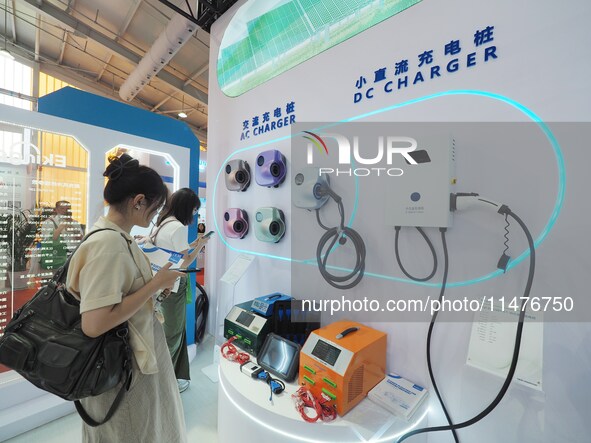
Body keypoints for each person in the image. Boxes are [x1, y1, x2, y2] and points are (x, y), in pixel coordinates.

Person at [66, 154, 187, 443]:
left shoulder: (116, 237)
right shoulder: (109, 244)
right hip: (121, 373)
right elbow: (94, 323)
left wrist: (156, 288)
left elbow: (120, 296)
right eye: (155, 208)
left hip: (128, 365)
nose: (154, 216)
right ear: (139, 201)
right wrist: (154, 284)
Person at [149, 188, 209, 393]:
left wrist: (193, 244)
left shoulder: (163, 223)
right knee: (173, 334)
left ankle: (174, 375)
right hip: (173, 285)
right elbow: (185, 261)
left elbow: (175, 251)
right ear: (187, 208)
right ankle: (167, 382)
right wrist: (200, 246)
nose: (194, 214)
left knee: (173, 332)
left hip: (162, 284)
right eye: (194, 210)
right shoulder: (178, 228)